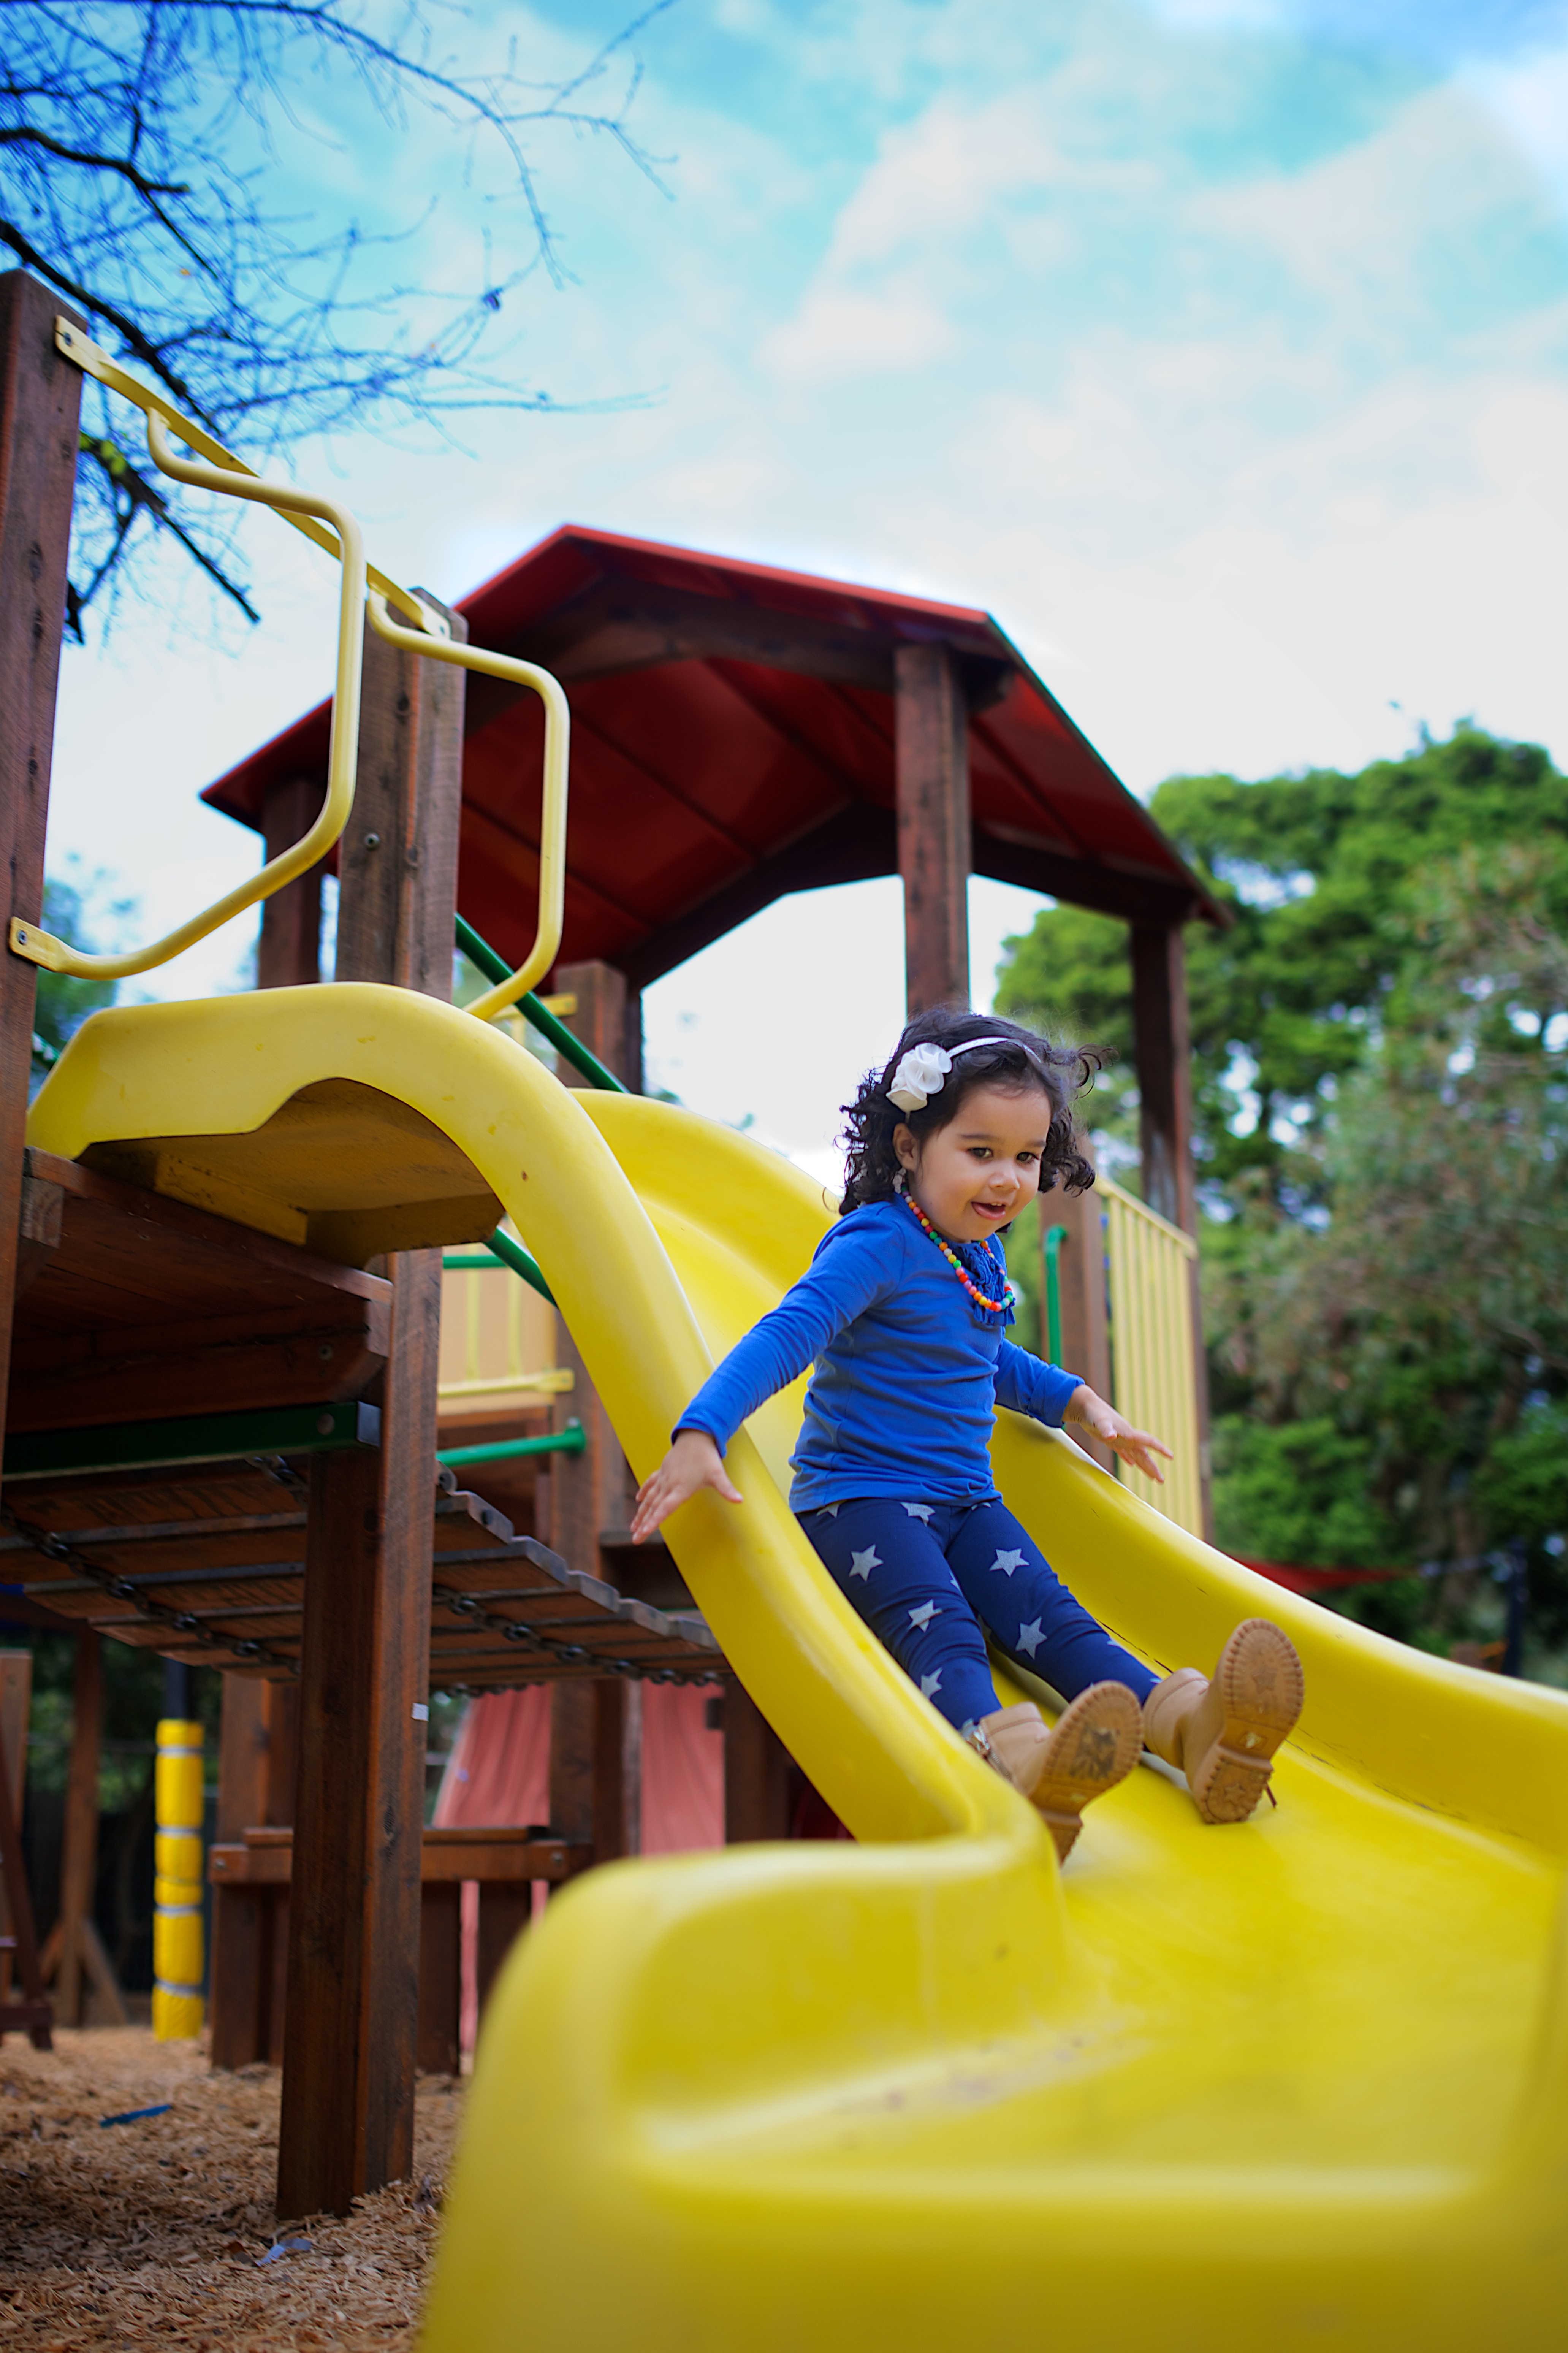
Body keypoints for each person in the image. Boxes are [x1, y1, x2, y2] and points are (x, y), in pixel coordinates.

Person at [630, 1009, 1304, 1861]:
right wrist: (703, 1430)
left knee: (1058, 1624)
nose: (1006, 1180)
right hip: (863, 1506)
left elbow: (982, 1356)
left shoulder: (975, 1255)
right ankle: (1008, 1762)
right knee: (942, 1627)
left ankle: (1190, 1732)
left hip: (963, 1501)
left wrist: (1076, 1401)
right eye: (979, 1152)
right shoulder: (877, 1242)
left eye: (1025, 1159)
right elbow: (786, 1333)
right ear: (910, 1147)